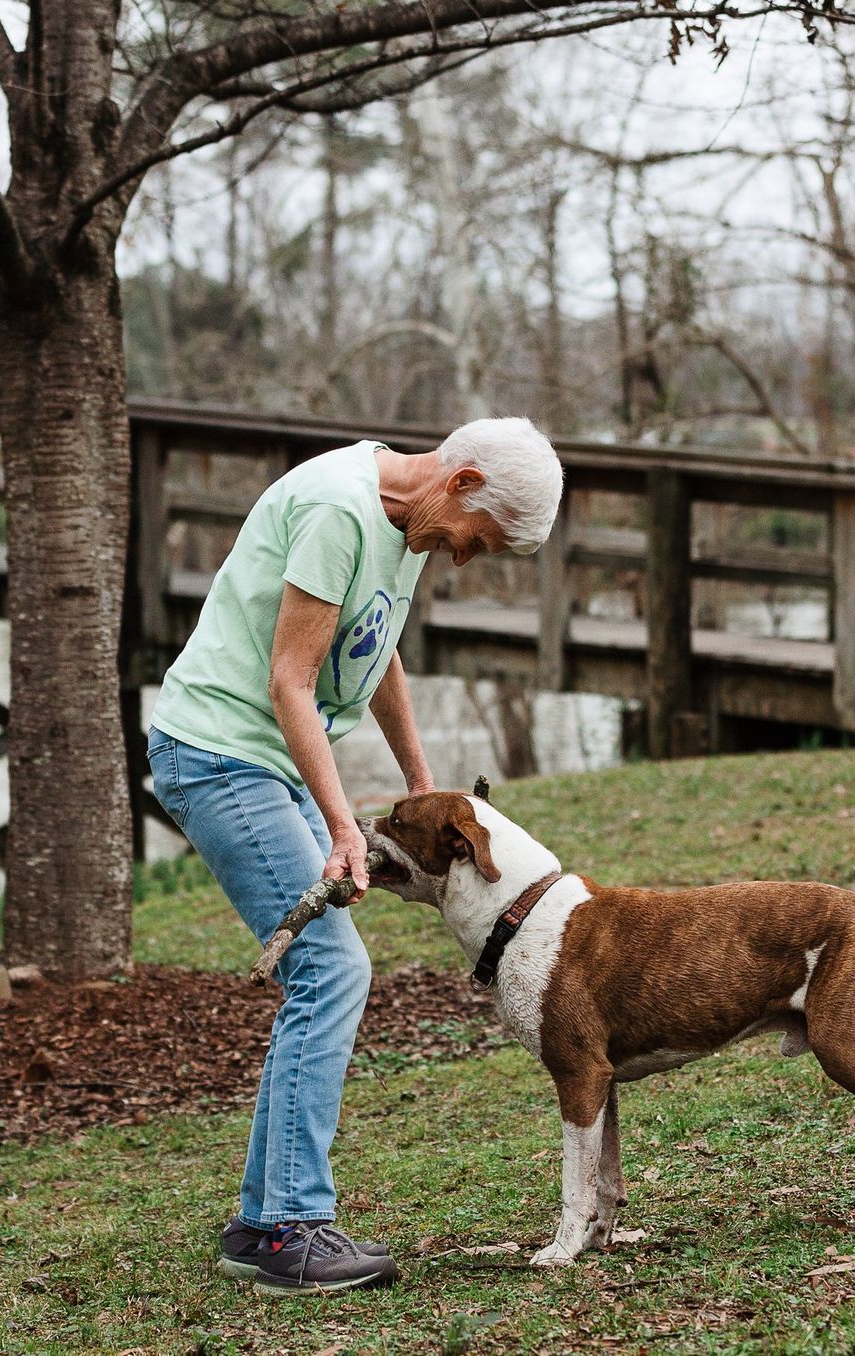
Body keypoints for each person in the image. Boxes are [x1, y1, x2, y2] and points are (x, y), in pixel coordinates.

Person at [147, 417, 562, 1295]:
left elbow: (375, 653)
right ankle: (291, 1230)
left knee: (327, 972)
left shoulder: (406, 518)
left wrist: (423, 781)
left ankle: (262, 1224)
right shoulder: (339, 508)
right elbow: (290, 681)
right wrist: (343, 824)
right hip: (222, 753)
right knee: (332, 972)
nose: (460, 558)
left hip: (264, 754)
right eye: (474, 540)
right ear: (464, 480)